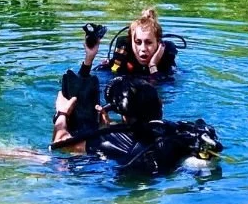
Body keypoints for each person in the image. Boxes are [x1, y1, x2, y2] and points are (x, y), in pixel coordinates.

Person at [50, 75, 221, 176]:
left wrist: (62, 113)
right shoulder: (172, 129)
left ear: (123, 115)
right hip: (162, 172)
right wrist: (107, 127)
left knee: (33, 155)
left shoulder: (110, 139)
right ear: (160, 103)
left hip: (125, 183)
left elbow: (60, 144)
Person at [97, 7, 179, 78]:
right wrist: (105, 66)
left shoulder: (166, 57)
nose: (143, 49)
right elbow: (112, 74)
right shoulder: (123, 53)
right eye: (138, 42)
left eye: (149, 42)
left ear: (158, 43)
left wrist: (152, 65)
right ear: (131, 41)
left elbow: (162, 89)